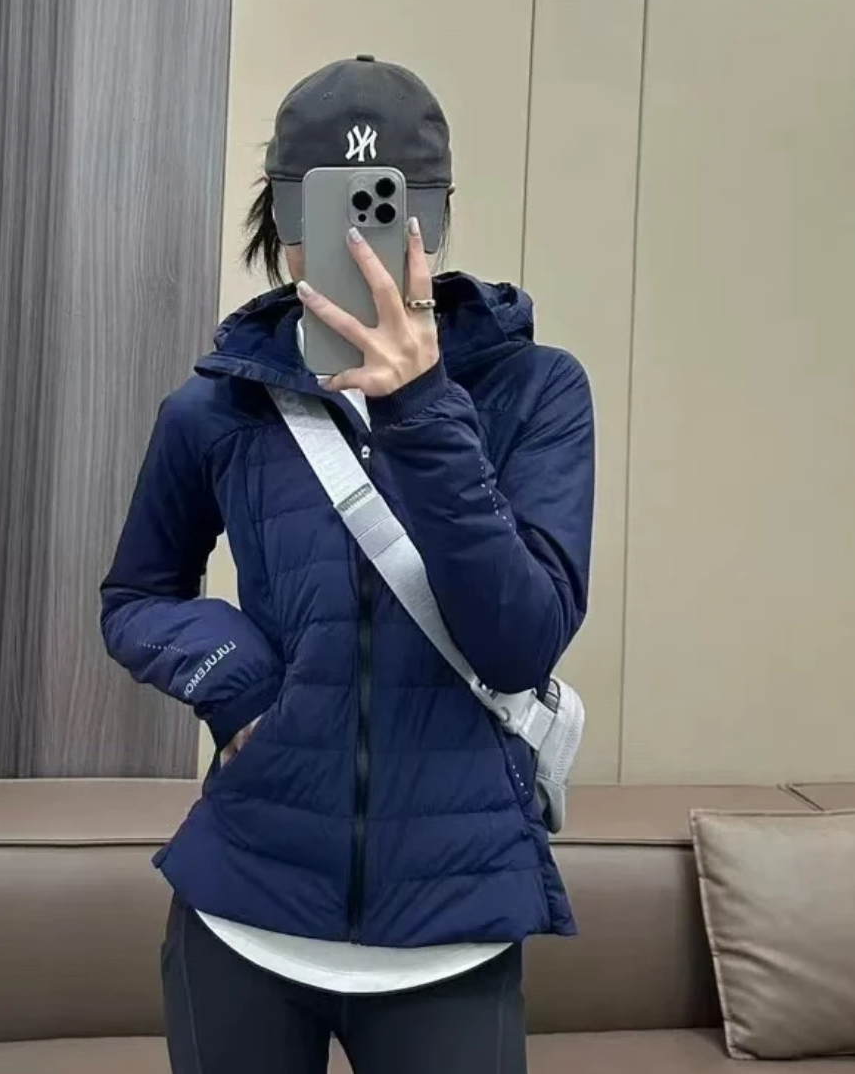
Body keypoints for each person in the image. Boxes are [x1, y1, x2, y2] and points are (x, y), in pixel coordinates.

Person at [101, 56, 594, 1074]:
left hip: (453, 931)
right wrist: (237, 683)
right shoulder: (216, 407)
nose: (355, 239)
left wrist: (421, 409)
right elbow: (138, 594)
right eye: (324, 207)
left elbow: (520, 642)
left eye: (384, 205)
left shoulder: (535, 391)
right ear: (281, 219)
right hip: (243, 913)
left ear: (434, 217)